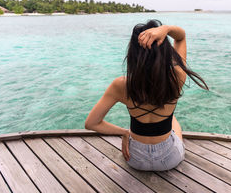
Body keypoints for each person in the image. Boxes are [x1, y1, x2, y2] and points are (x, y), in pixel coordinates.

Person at [85, 19, 209, 171]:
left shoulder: (121, 85)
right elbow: (181, 37)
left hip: (135, 158)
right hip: (169, 159)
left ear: (133, 53)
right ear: (165, 51)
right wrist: (166, 29)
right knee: (174, 121)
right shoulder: (177, 76)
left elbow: (91, 123)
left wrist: (125, 133)